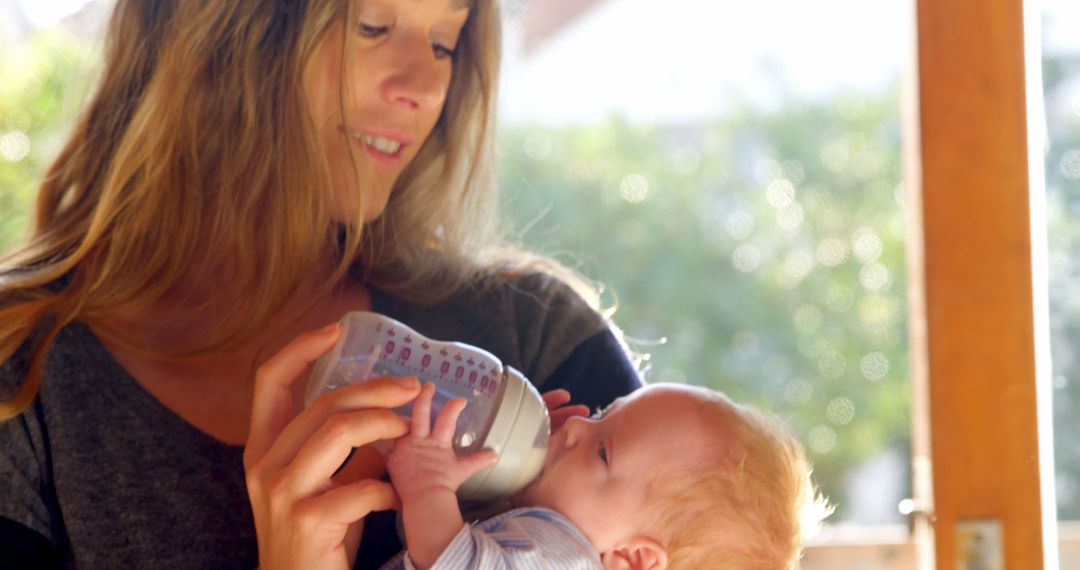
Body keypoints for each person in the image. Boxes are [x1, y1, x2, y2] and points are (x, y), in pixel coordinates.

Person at [0, 0, 642, 568]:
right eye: (371, 25)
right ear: (218, 27)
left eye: (444, 42)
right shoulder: (23, 388)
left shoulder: (539, 338)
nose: (423, 87)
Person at [382, 382, 833, 570]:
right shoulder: (557, 546)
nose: (577, 425)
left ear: (633, 559)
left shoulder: (567, 559)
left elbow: (453, 561)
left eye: (602, 451)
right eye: (601, 414)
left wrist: (429, 486)